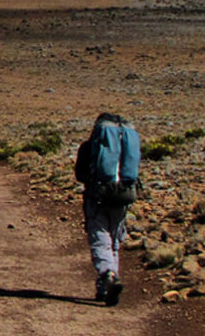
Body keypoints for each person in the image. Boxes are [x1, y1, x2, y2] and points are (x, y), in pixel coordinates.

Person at [74, 112, 140, 306]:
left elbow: (80, 174)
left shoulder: (89, 147)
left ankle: (108, 274)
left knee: (100, 237)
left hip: (98, 196)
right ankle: (105, 287)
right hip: (123, 195)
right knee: (114, 240)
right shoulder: (125, 146)